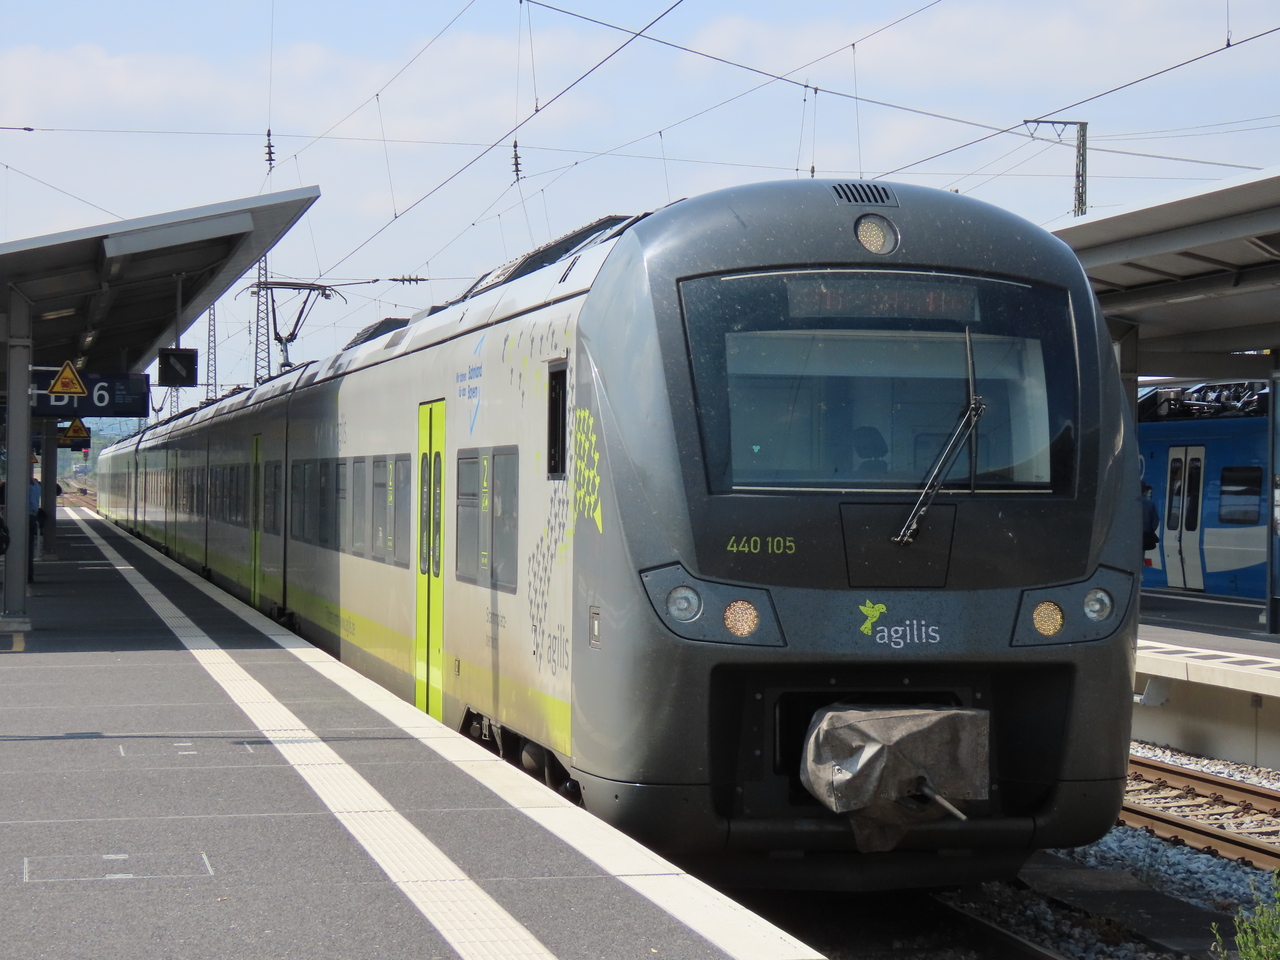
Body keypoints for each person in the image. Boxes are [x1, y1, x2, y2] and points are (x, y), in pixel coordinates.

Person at [27, 474, 40, 582]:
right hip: (33, 517)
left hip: (22, 517)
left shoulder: (23, 487)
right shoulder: (36, 486)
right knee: (29, 547)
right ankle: (29, 574)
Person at [1142, 483, 1160, 553]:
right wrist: (1151, 531)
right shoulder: (1150, 503)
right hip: (1146, 535)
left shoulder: (1130, 503)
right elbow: (1155, 520)